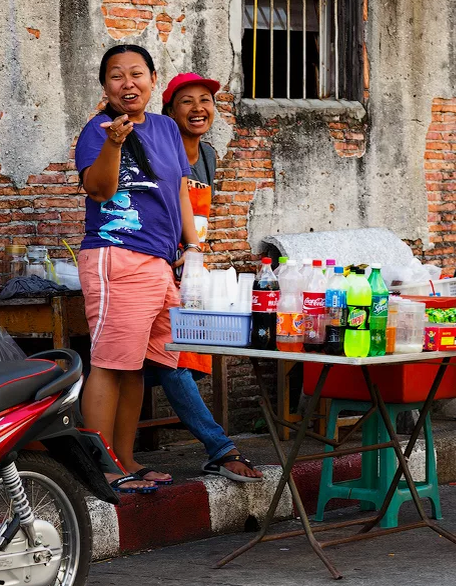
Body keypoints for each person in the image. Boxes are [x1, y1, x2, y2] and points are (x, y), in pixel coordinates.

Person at [76, 45, 201, 493]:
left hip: (158, 263)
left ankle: (125, 459)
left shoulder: (167, 127)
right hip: (118, 257)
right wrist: (114, 142)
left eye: (136, 74)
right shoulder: (98, 130)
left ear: (152, 79)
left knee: (137, 366)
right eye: (116, 76)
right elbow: (99, 190)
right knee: (109, 365)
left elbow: (179, 190)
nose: (127, 83)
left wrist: (194, 245)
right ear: (105, 86)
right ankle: (100, 467)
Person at [142, 72, 262, 482]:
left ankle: (91, 420)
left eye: (205, 100)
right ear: (169, 111)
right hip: (159, 263)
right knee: (174, 359)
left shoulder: (208, 155)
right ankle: (219, 447)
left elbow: (198, 217)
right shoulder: (159, 150)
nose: (198, 108)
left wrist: (195, 257)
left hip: (191, 265)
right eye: (186, 101)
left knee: (181, 357)